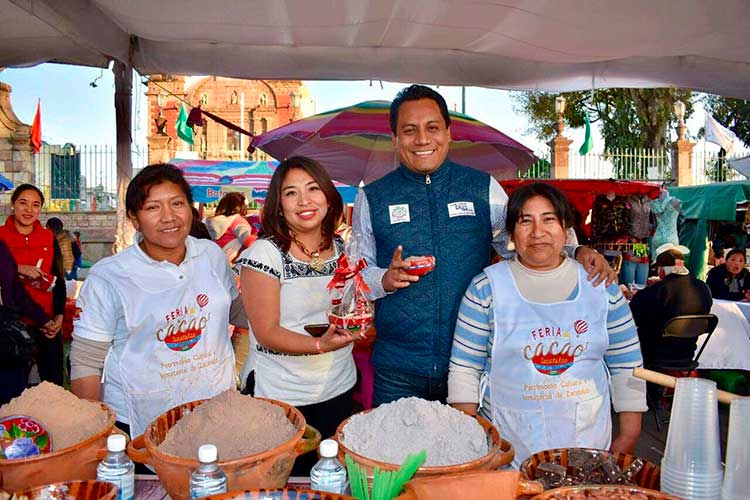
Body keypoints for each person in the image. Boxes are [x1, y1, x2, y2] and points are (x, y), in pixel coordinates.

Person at [351, 84, 615, 406]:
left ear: (448, 133)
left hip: (473, 362)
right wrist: (384, 280)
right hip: (398, 369)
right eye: (410, 130)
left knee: (470, 454)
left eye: (432, 128)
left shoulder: (481, 188)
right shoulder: (373, 197)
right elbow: (355, 275)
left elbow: (524, 239)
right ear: (395, 138)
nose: (422, 139)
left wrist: (577, 251)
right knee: (398, 457)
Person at [447, 182, 646, 467]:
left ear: (566, 229)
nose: (537, 232)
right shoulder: (485, 289)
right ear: (512, 234)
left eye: (548, 219)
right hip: (509, 452)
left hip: (587, 449)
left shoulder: (601, 286)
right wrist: (470, 439)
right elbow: (465, 370)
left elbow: (627, 365)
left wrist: (629, 434)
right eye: (525, 221)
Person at [69, 164, 247, 439]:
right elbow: (86, 361)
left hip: (216, 409)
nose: (169, 217)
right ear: (134, 218)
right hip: (142, 421)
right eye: (153, 207)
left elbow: (233, 310)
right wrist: (94, 434)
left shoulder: (210, 254)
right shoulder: (110, 276)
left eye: (177, 203)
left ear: (191, 208)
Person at [236, 156, 359, 473]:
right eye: (291, 193)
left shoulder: (341, 247)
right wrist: (322, 345)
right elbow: (266, 332)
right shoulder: (265, 253)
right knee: (287, 483)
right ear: (278, 205)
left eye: (313, 188)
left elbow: (348, 306)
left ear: (329, 198)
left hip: (338, 386)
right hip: (281, 395)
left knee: (333, 481)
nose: (304, 201)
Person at [0, 184, 65, 386]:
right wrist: (18, 267)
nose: (29, 210)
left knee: (52, 383)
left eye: (35, 205)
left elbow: (59, 278)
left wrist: (59, 315)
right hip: (11, 324)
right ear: (12, 205)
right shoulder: (1, 236)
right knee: (14, 385)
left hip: (46, 323)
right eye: (23, 203)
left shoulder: (48, 237)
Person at [629, 244, 712, 365]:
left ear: (661, 270)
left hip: (653, 354)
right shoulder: (703, 288)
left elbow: (633, 316)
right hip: (688, 353)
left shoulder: (657, 291)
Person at [0, 240, 57, 404]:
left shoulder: (1, 248)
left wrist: (44, 319)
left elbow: (16, 291)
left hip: (7, 342)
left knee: (12, 406)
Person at [205, 192, 256, 263]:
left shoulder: (212, 222)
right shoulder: (237, 220)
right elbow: (247, 240)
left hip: (216, 259)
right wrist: (260, 240)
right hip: (233, 261)